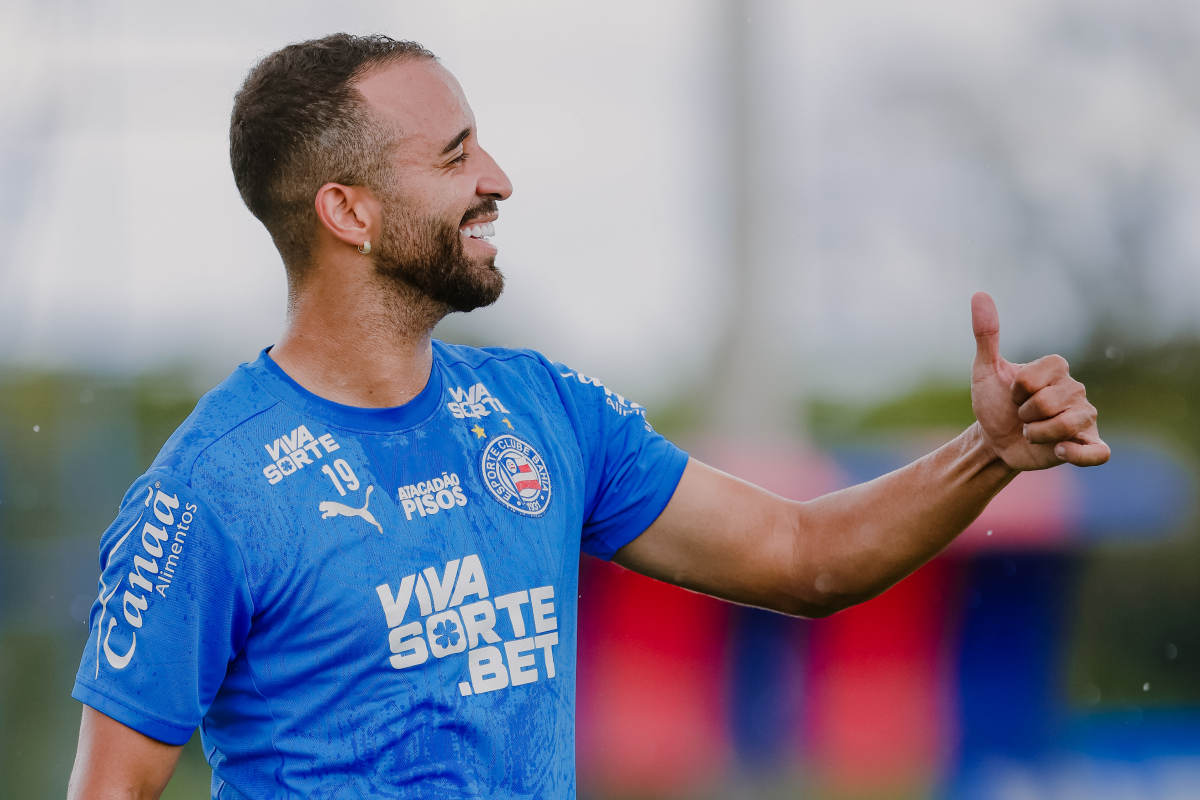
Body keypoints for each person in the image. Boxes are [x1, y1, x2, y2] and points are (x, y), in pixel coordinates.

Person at [66, 33, 1109, 800]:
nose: (497, 179)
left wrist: (991, 453)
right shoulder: (210, 490)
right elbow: (110, 788)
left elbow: (805, 554)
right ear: (349, 212)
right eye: (454, 156)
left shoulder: (540, 411)